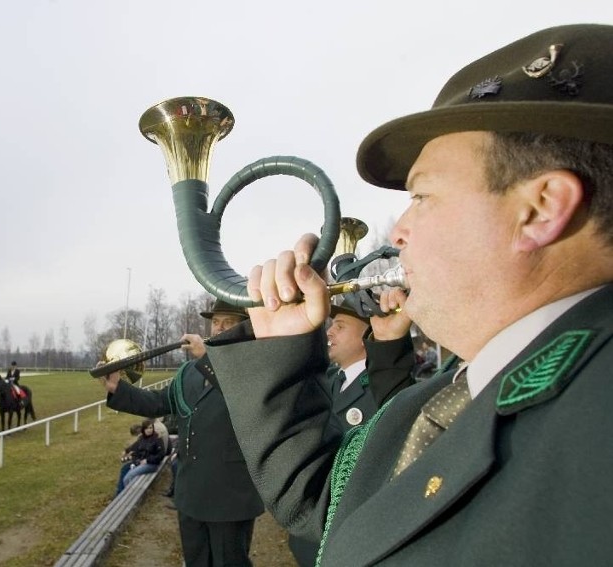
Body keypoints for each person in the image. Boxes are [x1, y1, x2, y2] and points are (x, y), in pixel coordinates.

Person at [204, 24, 613, 565]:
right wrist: (280, 354)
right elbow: (332, 506)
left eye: (423, 195)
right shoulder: (449, 395)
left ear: (539, 210)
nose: (398, 233)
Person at [101, 299, 264, 567]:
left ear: (244, 328)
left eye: (228, 322)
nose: (219, 328)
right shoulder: (190, 370)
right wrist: (118, 388)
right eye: (215, 322)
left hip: (230, 498)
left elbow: (246, 399)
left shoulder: (253, 366)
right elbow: (160, 402)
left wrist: (207, 358)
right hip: (191, 495)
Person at [287, 297, 415, 566]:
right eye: (332, 325)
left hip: (352, 528)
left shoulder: (384, 388)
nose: (330, 332)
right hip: (314, 524)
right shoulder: (328, 381)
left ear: (366, 336)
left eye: (341, 326)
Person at [115, 419, 166, 495]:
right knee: (124, 469)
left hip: (151, 464)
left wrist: (147, 460)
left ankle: (127, 496)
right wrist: (126, 451)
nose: (149, 430)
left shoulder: (157, 439)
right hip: (140, 461)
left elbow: (161, 455)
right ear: (143, 429)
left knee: (128, 477)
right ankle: (119, 493)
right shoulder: (142, 438)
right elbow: (134, 446)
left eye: (151, 428)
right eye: (147, 428)